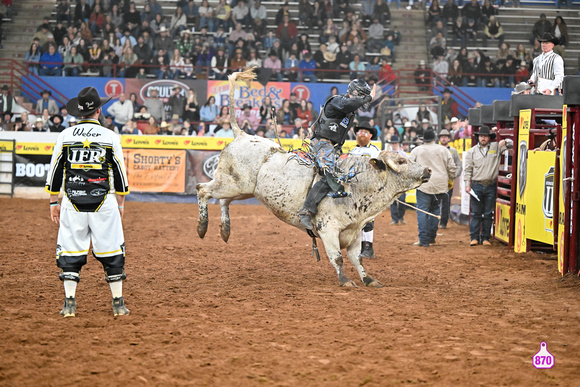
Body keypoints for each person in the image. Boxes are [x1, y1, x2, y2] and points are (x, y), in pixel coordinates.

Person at [45, 86, 130, 318]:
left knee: (71, 248)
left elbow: (55, 171)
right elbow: (120, 175)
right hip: (104, 201)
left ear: (79, 113)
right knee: (111, 248)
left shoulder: (65, 136)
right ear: (99, 110)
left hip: (73, 201)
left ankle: (69, 303)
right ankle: (118, 303)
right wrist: (121, 204)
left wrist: (54, 201)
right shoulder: (111, 137)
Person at [298, 79, 376, 230]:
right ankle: (306, 210)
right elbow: (349, 104)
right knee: (334, 173)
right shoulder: (338, 101)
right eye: (361, 96)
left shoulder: (348, 109)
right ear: (354, 93)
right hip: (322, 144)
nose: (362, 100)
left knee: (352, 173)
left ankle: (359, 215)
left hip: (333, 148)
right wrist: (370, 97)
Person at [409, 129, 456, 247]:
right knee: (435, 210)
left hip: (424, 184)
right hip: (440, 185)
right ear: (435, 139)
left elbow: (409, 167)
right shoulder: (444, 150)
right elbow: (452, 168)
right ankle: (431, 237)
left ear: (423, 139)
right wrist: (450, 178)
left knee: (423, 211)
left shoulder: (417, 150)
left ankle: (424, 240)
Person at [463, 126, 507, 246]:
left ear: (489, 138)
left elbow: (511, 144)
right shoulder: (472, 152)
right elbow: (467, 170)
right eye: (481, 136)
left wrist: (505, 141)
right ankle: (474, 237)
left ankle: (485, 238)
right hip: (476, 185)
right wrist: (467, 185)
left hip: (490, 185)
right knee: (476, 213)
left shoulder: (496, 147)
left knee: (488, 213)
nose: (483, 138)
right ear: (478, 137)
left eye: (485, 136)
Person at [349, 121, 381, 258]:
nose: (362, 134)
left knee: (368, 218)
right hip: (355, 189)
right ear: (356, 134)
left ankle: (368, 247)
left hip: (369, 188)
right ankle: (360, 246)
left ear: (371, 135)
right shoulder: (353, 151)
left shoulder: (375, 150)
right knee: (357, 218)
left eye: (365, 132)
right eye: (360, 132)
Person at [438, 129, 462, 229]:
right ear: (439, 139)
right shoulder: (436, 150)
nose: (443, 138)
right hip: (437, 181)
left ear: (448, 139)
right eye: (442, 136)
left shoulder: (453, 151)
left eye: (445, 136)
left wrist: (454, 175)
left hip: (448, 182)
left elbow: (459, 165)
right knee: (436, 201)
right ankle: (434, 221)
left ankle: (443, 222)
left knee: (446, 202)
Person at [387, 134, 407, 226]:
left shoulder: (404, 155)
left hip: (402, 181)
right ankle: (395, 219)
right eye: (393, 143)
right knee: (393, 201)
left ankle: (401, 216)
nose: (394, 144)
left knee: (402, 200)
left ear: (398, 143)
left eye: (395, 143)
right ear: (391, 144)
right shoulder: (388, 155)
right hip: (392, 180)